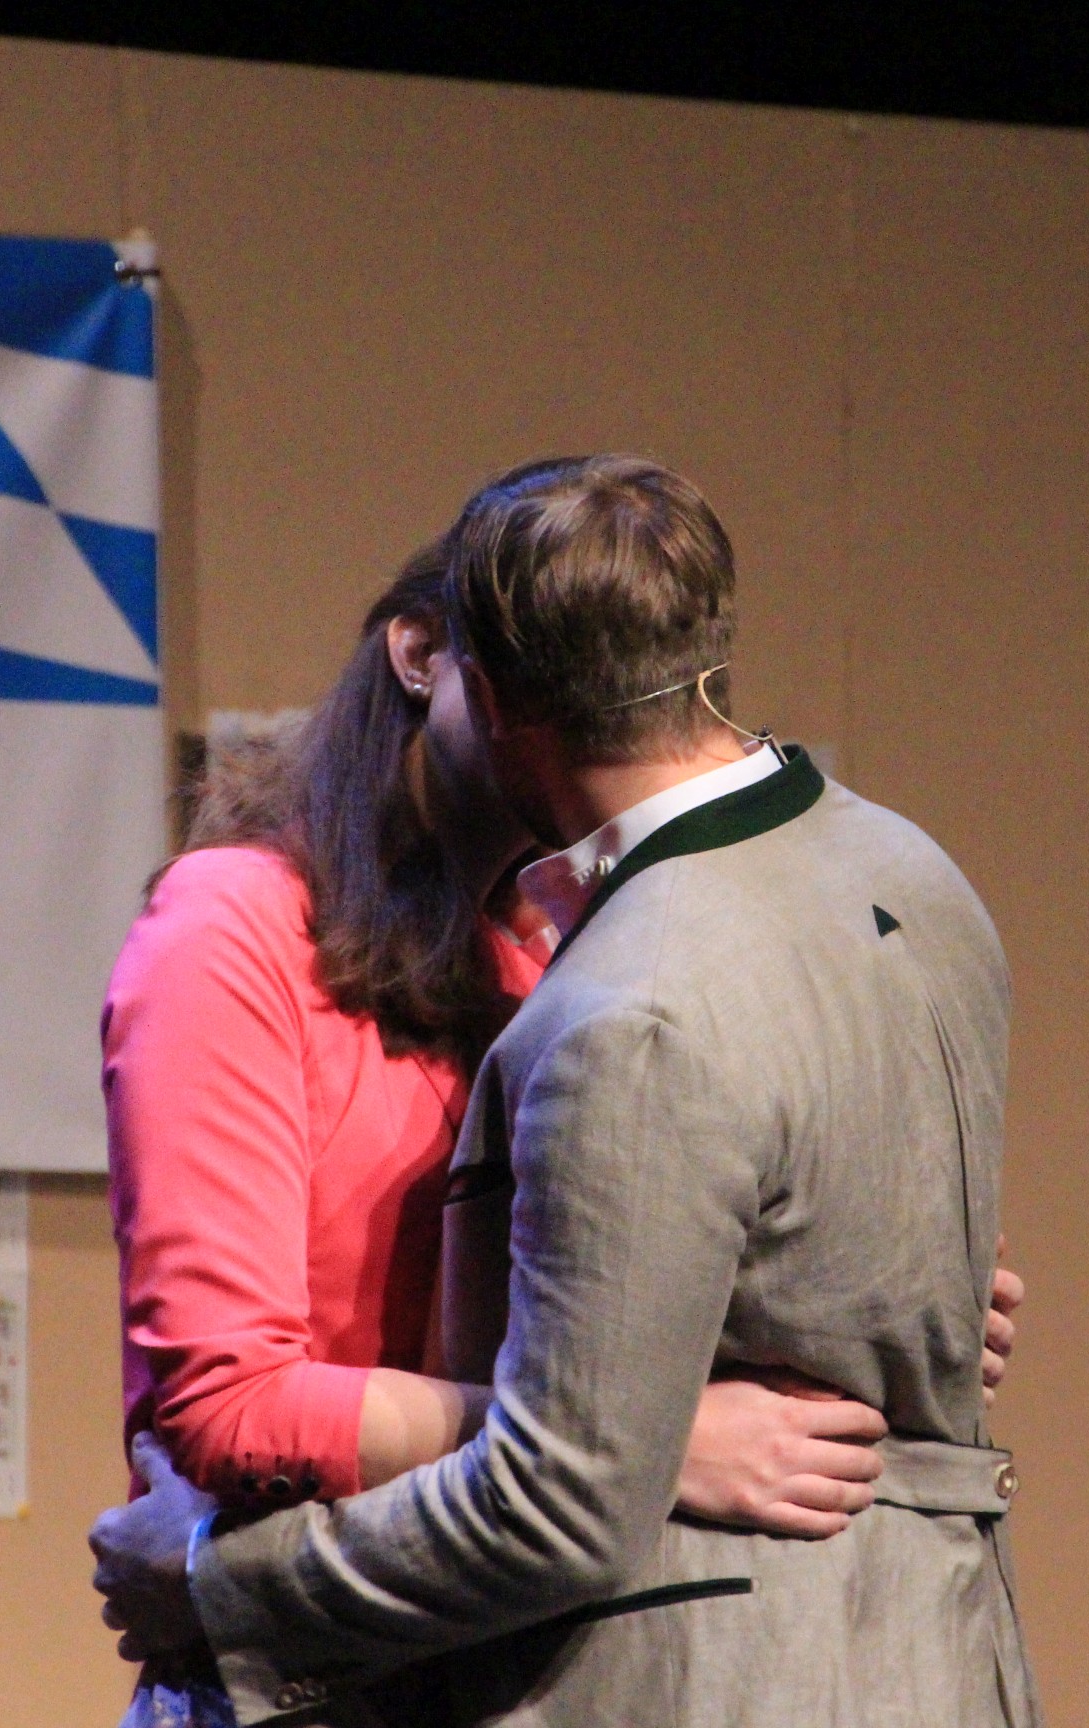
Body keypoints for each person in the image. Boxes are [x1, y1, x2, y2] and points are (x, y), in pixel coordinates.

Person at [93, 456, 1040, 1727]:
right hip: (328, 1678)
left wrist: (861, 1280)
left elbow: (615, 1292)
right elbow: (230, 1405)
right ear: (425, 658)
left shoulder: (570, 946)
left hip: (501, 1654)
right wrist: (653, 1440)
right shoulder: (237, 928)